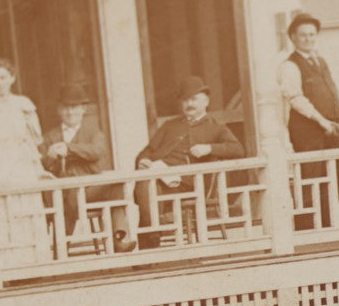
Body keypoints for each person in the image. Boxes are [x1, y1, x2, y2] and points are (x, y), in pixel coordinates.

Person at [133, 75, 244, 248]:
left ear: (206, 101)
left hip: (190, 182)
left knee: (147, 189)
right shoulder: (170, 125)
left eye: (194, 99)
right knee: (145, 186)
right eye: (185, 100)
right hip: (161, 178)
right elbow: (147, 151)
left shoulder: (215, 127)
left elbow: (238, 149)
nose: (189, 104)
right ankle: (151, 239)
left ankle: (149, 244)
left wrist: (210, 148)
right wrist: (143, 160)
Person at [0, 58, 48, 266]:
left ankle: (34, 261)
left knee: (27, 206)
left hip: (22, 159)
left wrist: (36, 164)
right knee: (6, 210)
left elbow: (34, 138)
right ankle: (11, 263)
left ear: (12, 78)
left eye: (3, 77)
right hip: (0, 161)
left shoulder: (22, 104)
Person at [40, 82, 130, 254]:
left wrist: (69, 148)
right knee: (68, 195)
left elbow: (97, 151)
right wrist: (50, 156)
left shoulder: (94, 132)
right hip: (63, 193)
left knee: (115, 187)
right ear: (59, 110)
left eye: (74, 107)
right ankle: (61, 247)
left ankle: (119, 238)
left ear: (83, 109)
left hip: (89, 191)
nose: (70, 112)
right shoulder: (50, 137)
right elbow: (42, 165)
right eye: (66, 107)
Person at [279, 13, 339, 225]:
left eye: (312, 34)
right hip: (308, 132)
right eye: (303, 35)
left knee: (335, 178)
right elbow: (296, 98)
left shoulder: (320, 61)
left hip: (331, 130)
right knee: (312, 180)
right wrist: (321, 121)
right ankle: (310, 229)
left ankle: (329, 225)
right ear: (293, 38)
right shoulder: (290, 65)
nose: (308, 39)